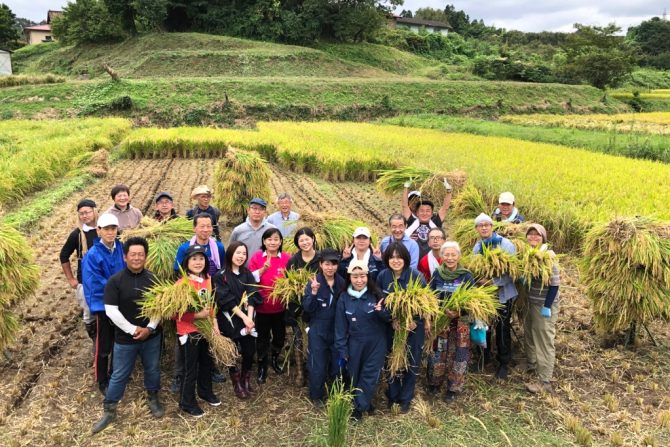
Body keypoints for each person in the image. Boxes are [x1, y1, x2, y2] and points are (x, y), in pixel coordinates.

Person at [92, 237, 163, 433]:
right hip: (125, 339)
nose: (137, 258)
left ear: (146, 257)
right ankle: (110, 409)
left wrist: (149, 328)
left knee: (153, 369)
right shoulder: (115, 281)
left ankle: (153, 397)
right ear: (125, 257)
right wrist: (133, 330)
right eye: (133, 254)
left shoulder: (153, 279)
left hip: (151, 336)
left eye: (141, 254)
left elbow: (159, 307)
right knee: (119, 374)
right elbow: (111, 311)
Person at [172, 213, 226, 390]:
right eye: (201, 226)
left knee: (209, 336)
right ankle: (180, 375)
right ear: (194, 228)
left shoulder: (218, 246)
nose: (205, 229)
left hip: (210, 289)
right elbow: (178, 271)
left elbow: (222, 269)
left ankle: (210, 370)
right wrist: (190, 296)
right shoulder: (184, 248)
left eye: (209, 226)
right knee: (187, 340)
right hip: (190, 293)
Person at [334, 259, 389, 422]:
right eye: (355, 276)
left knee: (370, 374)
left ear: (368, 276)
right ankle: (363, 402)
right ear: (349, 277)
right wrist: (342, 349)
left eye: (363, 276)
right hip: (355, 343)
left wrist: (382, 312)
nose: (359, 280)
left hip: (376, 343)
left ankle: (359, 407)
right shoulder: (343, 298)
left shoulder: (376, 295)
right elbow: (340, 327)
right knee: (354, 374)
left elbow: (390, 319)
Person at [375, 242, 426, 413]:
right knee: (391, 360)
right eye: (392, 257)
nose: (395, 261)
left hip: (413, 328)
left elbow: (425, 304)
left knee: (412, 361)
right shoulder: (383, 276)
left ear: (405, 258)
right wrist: (391, 320)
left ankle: (405, 398)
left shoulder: (417, 276)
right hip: (391, 328)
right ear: (387, 259)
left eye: (399, 257)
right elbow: (379, 303)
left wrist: (415, 321)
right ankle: (393, 394)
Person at [175, 244, 221, 417]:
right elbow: (174, 313)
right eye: (194, 259)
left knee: (207, 362)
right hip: (188, 331)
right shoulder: (182, 284)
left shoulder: (208, 280)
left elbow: (211, 304)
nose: (198, 262)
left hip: (207, 330)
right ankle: (186, 401)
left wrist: (214, 322)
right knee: (190, 367)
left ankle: (205, 391)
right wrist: (197, 316)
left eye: (201, 258)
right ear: (187, 262)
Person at [82, 213, 126, 396]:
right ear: (98, 231)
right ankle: (102, 379)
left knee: (120, 341)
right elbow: (94, 283)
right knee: (103, 345)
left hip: (122, 303)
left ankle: (115, 374)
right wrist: (119, 291)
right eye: (106, 229)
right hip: (104, 307)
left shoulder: (121, 248)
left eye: (113, 228)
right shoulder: (92, 255)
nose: (110, 232)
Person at [214, 241, 262, 400]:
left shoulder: (247, 274)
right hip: (229, 319)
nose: (241, 256)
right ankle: (236, 381)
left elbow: (252, 296)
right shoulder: (221, 276)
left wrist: (249, 318)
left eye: (244, 253)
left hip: (247, 320)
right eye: (238, 253)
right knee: (232, 352)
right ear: (230, 254)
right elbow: (226, 301)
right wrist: (243, 318)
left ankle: (245, 378)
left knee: (249, 351)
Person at [472, 213, 518, 379]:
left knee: (502, 328)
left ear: (492, 227)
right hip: (485, 296)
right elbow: (474, 270)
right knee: (484, 326)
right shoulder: (478, 247)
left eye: (487, 225)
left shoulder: (505, 245)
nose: (484, 227)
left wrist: (494, 282)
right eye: (480, 225)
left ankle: (503, 362)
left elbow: (514, 272)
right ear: (477, 229)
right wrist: (479, 282)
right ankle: (484, 357)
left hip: (503, 295)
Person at [428, 241, 474, 402]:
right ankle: (434, 383)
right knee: (438, 353)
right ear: (441, 256)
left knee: (459, 355)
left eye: (453, 254)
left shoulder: (466, 275)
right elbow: (431, 296)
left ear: (459, 256)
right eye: (446, 254)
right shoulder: (437, 274)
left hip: (460, 322)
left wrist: (458, 312)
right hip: (442, 321)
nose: (450, 258)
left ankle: (453, 388)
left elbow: (473, 301)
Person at [302, 249, 346, 407]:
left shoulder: (342, 283)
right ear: (321, 264)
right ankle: (316, 396)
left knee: (336, 364)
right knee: (317, 365)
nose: (330, 267)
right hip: (318, 330)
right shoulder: (314, 282)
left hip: (337, 330)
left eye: (334, 264)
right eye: (327, 264)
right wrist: (313, 292)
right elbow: (307, 307)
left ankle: (335, 393)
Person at [248, 228, 290, 384]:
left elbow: (291, 280)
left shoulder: (286, 258)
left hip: (280, 308)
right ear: (264, 241)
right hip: (262, 308)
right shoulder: (257, 257)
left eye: (276, 239)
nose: (273, 242)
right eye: (269, 239)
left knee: (279, 337)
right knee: (262, 338)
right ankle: (262, 366)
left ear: (280, 242)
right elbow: (249, 278)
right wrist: (263, 269)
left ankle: (274, 358)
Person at [523, 224, 560, 394]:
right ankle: (531, 364)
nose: (533, 237)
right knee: (530, 332)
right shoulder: (527, 254)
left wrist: (547, 306)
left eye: (537, 235)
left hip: (543, 305)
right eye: (530, 235)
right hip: (530, 302)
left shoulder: (548, 256)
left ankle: (544, 381)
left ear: (543, 238)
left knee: (544, 340)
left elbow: (554, 284)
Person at [60, 199, 99, 343]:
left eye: (87, 212)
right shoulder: (77, 234)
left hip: (106, 280)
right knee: (89, 314)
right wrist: (71, 279)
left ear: (94, 212)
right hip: (85, 282)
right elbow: (64, 255)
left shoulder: (105, 229)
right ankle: (95, 341)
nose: (85, 216)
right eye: (81, 213)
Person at [285, 227, 319, 386]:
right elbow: (288, 285)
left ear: (313, 239)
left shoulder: (320, 258)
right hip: (298, 307)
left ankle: (314, 370)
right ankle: (300, 372)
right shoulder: (293, 261)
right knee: (299, 338)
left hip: (318, 306)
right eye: (301, 240)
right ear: (297, 243)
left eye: (307, 239)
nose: (305, 242)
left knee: (316, 339)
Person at [402, 178, 452, 257]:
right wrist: (406, 187)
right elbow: (405, 206)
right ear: (417, 213)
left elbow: (445, 207)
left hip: (432, 260)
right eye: (421, 210)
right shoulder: (412, 221)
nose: (424, 213)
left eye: (428, 211)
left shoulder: (436, 222)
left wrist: (448, 191)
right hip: (414, 259)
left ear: (432, 213)